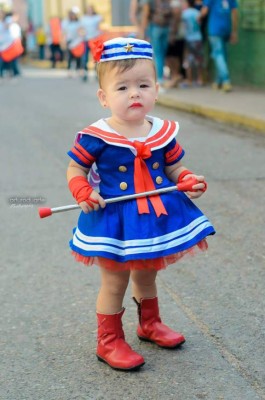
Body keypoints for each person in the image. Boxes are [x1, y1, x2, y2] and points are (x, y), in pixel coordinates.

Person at [66, 37, 215, 371]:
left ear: (156, 90)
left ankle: (149, 324)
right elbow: (76, 167)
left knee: (147, 275)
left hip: (153, 217)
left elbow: (174, 166)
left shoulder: (161, 131)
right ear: (103, 97)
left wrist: (187, 178)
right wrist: (82, 191)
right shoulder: (96, 135)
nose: (134, 93)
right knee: (115, 281)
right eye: (122, 88)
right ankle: (108, 341)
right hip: (112, 219)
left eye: (143, 85)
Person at [201, 0, 238, 92]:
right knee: (223, 55)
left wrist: (198, 16)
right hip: (226, 29)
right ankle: (218, 81)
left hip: (215, 29)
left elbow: (204, 11)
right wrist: (234, 31)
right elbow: (234, 13)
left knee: (218, 55)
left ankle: (226, 80)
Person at [138, 0, 172, 86]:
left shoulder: (149, 1)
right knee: (162, 54)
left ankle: (159, 79)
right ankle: (161, 77)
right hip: (166, 28)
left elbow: (145, 15)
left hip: (155, 27)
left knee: (157, 55)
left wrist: (142, 32)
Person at [181, 0, 204, 86]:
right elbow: (199, 24)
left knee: (188, 59)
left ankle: (189, 79)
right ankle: (200, 79)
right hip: (198, 38)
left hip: (188, 38)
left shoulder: (184, 14)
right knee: (199, 58)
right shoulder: (197, 13)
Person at [79, 5, 102, 82]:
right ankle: (85, 74)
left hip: (95, 39)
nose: (89, 11)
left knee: (96, 57)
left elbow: (101, 25)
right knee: (84, 58)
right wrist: (82, 34)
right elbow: (81, 28)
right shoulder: (83, 18)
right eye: (88, 9)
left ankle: (97, 74)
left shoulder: (97, 17)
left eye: (91, 9)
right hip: (86, 39)